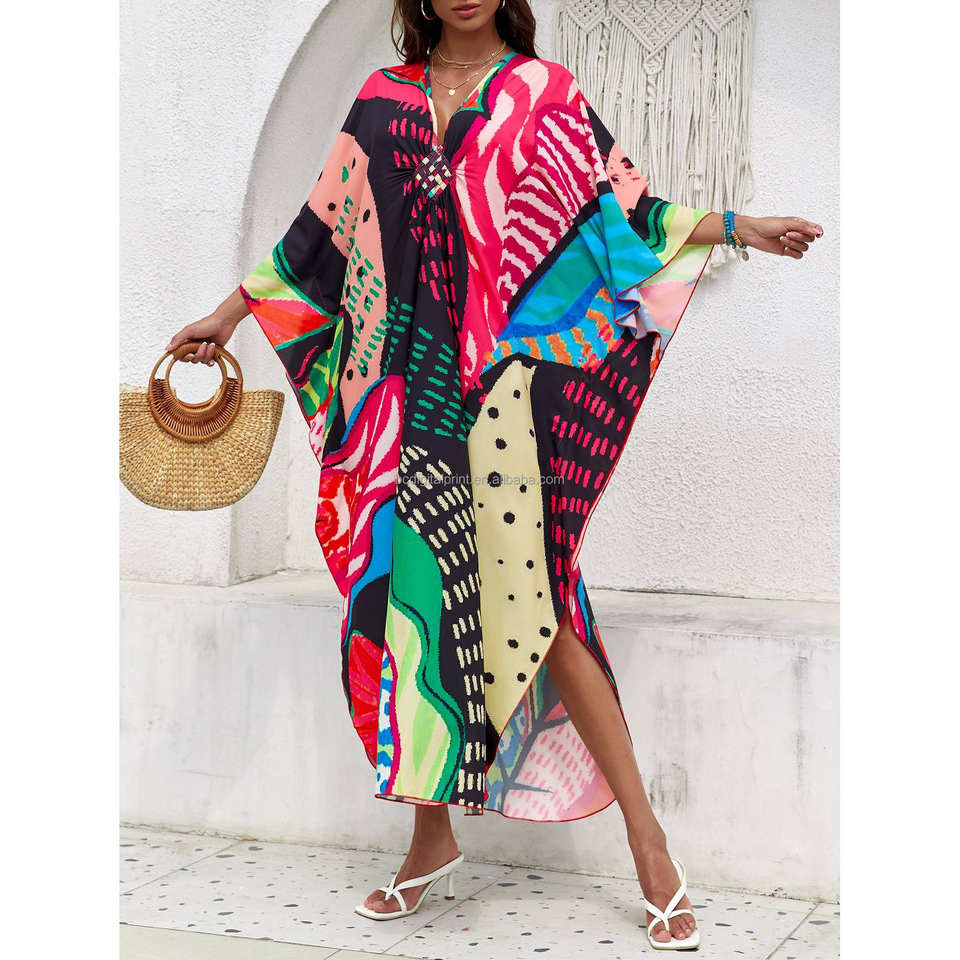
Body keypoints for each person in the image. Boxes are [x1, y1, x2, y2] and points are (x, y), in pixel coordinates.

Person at [167, 0, 822, 950]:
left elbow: (622, 213)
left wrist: (733, 226)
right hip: (403, 400)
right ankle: (430, 839)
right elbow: (317, 238)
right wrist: (228, 315)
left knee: (544, 613)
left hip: (503, 400)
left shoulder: (544, 93)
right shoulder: (381, 100)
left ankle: (647, 841)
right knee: (412, 610)